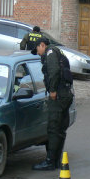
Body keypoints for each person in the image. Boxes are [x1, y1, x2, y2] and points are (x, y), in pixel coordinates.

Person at [31, 37, 74, 170]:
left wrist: (53, 90)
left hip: (59, 95)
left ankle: (50, 161)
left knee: (53, 128)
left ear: (42, 45)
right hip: (66, 93)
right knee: (60, 128)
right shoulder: (57, 52)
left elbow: (54, 71)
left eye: (37, 49)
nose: (38, 53)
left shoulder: (50, 53)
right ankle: (56, 159)